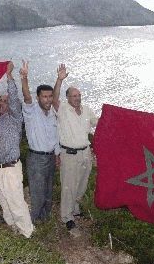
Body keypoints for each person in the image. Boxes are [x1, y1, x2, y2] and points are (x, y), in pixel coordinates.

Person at [0, 61, 34, 238]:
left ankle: (27, 234)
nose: (1, 103)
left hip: (10, 169)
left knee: (16, 203)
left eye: (4, 101)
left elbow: (13, 98)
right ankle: (13, 228)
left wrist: (9, 76)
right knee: (4, 202)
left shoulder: (14, 118)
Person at [52, 64, 98, 231]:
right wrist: (59, 79)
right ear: (68, 98)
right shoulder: (63, 109)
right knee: (68, 186)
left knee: (82, 184)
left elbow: (99, 124)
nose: (78, 98)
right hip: (69, 155)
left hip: (85, 154)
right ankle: (66, 217)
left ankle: (75, 208)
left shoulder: (87, 110)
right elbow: (54, 99)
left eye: (79, 95)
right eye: (74, 96)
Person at [19, 60, 59, 223]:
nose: (48, 100)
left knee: (49, 190)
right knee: (37, 192)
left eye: (50, 96)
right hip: (36, 159)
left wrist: (59, 80)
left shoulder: (53, 113)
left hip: (50, 157)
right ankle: (33, 222)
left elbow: (55, 136)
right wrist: (24, 78)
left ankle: (45, 219)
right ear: (38, 97)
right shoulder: (31, 111)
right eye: (44, 96)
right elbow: (27, 96)